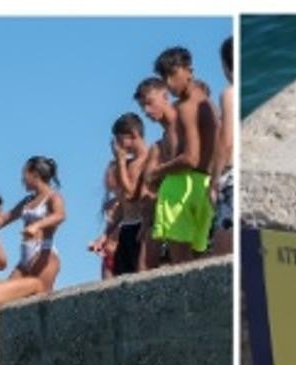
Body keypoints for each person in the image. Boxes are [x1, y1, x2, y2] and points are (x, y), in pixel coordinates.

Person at [147, 48, 218, 264]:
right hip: (207, 183)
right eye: (163, 78)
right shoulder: (206, 101)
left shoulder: (187, 106)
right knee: (202, 258)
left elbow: (190, 158)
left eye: (172, 75)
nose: (168, 83)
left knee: (180, 262)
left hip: (185, 187)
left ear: (189, 70)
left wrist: (157, 172)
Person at [92, 113, 154, 276]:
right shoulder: (128, 163)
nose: (118, 146)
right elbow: (122, 204)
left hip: (142, 225)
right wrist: (105, 235)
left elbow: (131, 194)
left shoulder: (148, 159)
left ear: (133, 135)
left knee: (141, 277)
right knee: (120, 279)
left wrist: (120, 160)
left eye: (120, 141)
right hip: (126, 227)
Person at [0, 157, 65, 293]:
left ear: (35, 175)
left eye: (24, 174)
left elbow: (60, 215)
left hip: (44, 254)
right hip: (25, 258)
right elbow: (5, 218)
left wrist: (37, 226)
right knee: (6, 298)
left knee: (40, 298)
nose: (22, 179)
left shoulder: (53, 197)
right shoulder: (27, 200)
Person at [134, 77, 179, 270]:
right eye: (142, 106)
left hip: (191, 205)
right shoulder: (158, 146)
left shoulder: (185, 125)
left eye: (150, 103)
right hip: (164, 211)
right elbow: (147, 186)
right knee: (144, 267)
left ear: (165, 95)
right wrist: (146, 220)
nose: (146, 111)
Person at [209, 37, 236, 257]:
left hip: (233, 179)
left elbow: (226, 140)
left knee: (223, 253)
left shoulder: (229, 93)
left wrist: (215, 179)